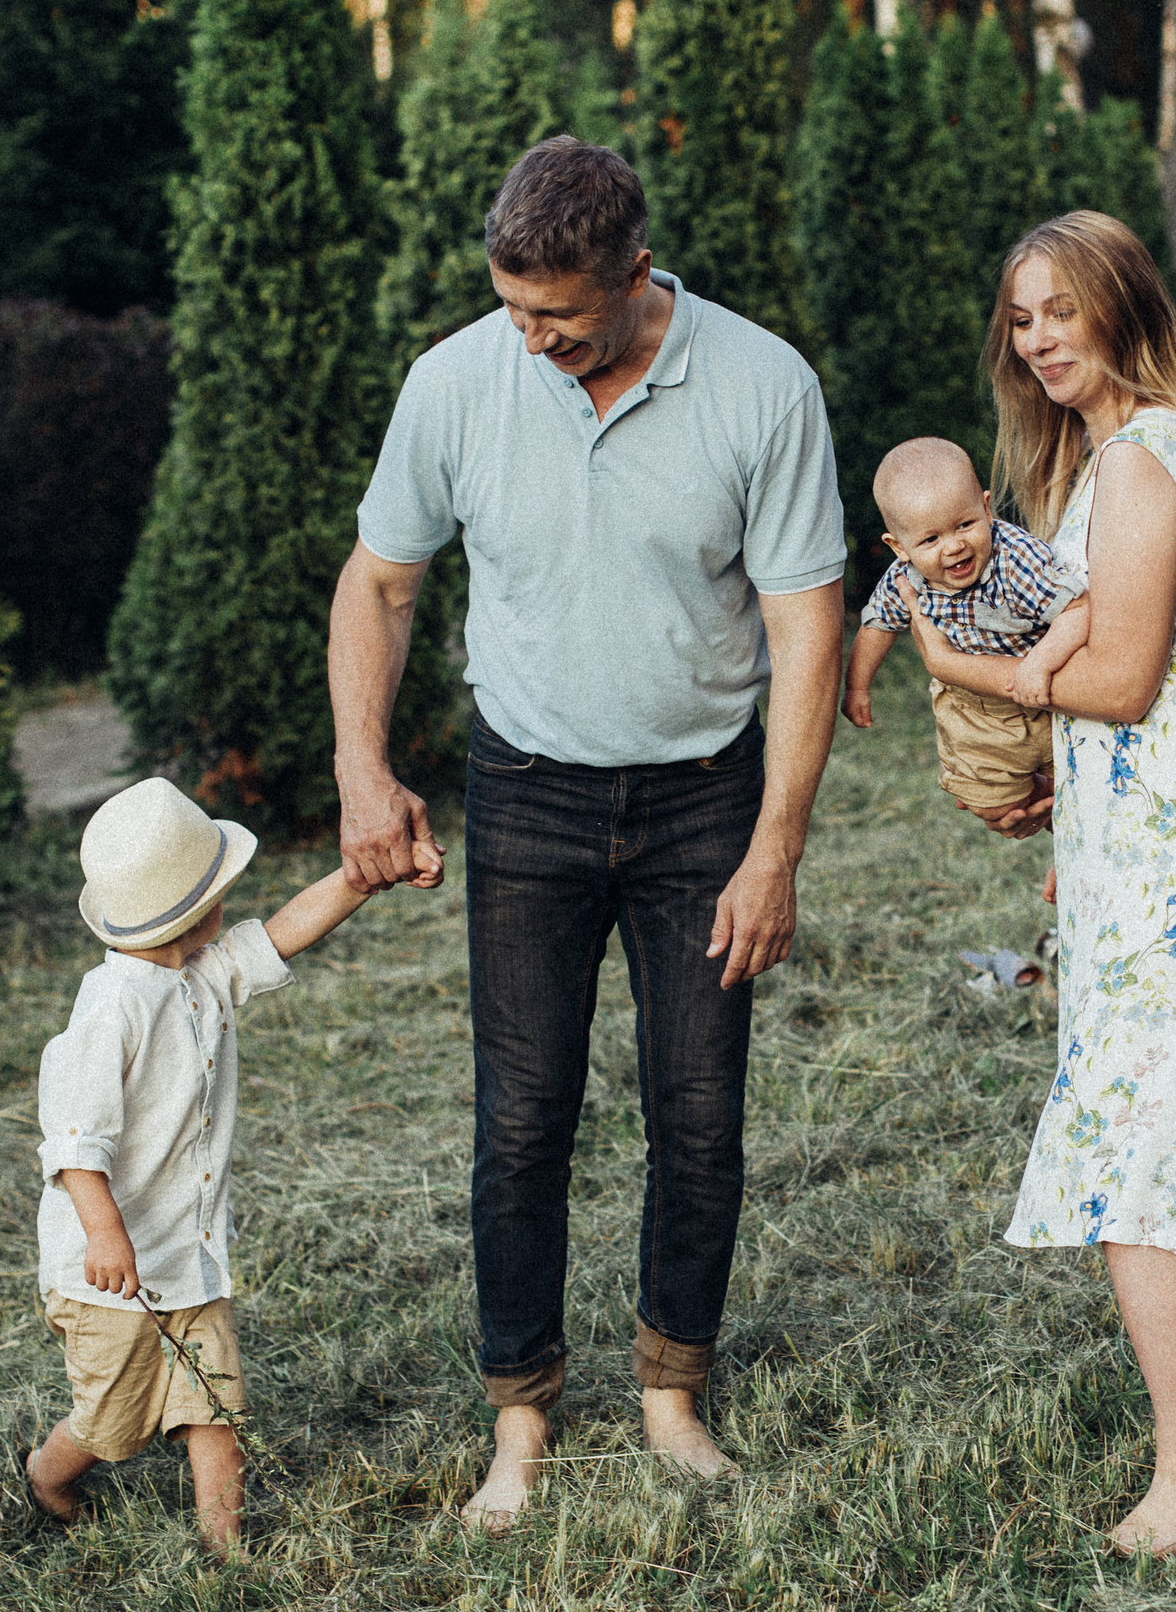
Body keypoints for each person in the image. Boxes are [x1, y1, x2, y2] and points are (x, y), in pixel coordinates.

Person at [329, 137, 846, 1529]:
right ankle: (522, 1411)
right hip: (530, 792)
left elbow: (808, 624)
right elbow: (379, 584)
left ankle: (673, 1388)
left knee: (698, 1110)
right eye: (513, 309)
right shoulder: (455, 381)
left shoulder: (762, 383)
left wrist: (775, 845)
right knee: (521, 1117)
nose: (533, 337)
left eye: (558, 316)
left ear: (634, 270)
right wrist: (362, 768)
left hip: (704, 804)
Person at [905, 210, 1176, 1557]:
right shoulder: (1119, 455)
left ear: (1119, 308)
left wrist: (958, 668)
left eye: (1060, 311)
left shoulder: (1140, 462)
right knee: (1163, 1132)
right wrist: (1069, 812)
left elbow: (1128, 679)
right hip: (1157, 830)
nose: (1037, 341)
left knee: (1138, 1140)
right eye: (1020, 319)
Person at [25, 777, 442, 1554]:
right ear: (191, 908)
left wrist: (367, 875)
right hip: (107, 1276)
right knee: (113, 1422)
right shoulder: (111, 1008)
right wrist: (106, 1234)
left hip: (189, 1257)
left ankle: (227, 1548)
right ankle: (48, 1473)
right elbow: (74, 1142)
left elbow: (285, 930)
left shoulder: (201, 973)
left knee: (213, 1405)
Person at [841, 436, 1089, 812]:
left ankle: (1062, 806)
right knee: (989, 804)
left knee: (1086, 793)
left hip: (1050, 695)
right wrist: (857, 687)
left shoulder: (1015, 561)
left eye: (965, 524)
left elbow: (1079, 608)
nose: (953, 545)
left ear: (987, 509)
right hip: (975, 712)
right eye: (930, 538)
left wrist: (1040, 663)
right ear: (899, 547)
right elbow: (878, 625)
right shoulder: (904, 578)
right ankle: (1039, 799)